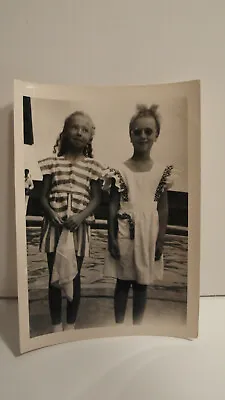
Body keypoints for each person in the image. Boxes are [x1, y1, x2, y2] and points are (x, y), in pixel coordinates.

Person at [104, 104, 175, 325]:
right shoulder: (119, 171)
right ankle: (118, 325)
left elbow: (162, 208)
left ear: (156, 135)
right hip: (125, 231)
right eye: (137, 131)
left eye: (148, 131)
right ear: (130, 135)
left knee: (142, 283)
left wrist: (160, 240)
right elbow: (113, 206)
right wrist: (111, 237)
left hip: (148, 233)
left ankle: (137, 327)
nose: (142, 136)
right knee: (123, 282)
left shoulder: (161, 172)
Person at [38, 111, 108, 333]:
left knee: (74, 277)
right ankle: (56, 327)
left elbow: (96, 198)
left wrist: (80, 216)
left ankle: (70, 326)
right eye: (75, 127)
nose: (79, 132)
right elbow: (41, 196)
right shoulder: (52, 163)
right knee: (54, 278)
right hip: (54, 227)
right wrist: (50, 212)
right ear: (65, 132)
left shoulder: (93, 166)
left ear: (90, 138)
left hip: (78, 228)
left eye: (85, 130)